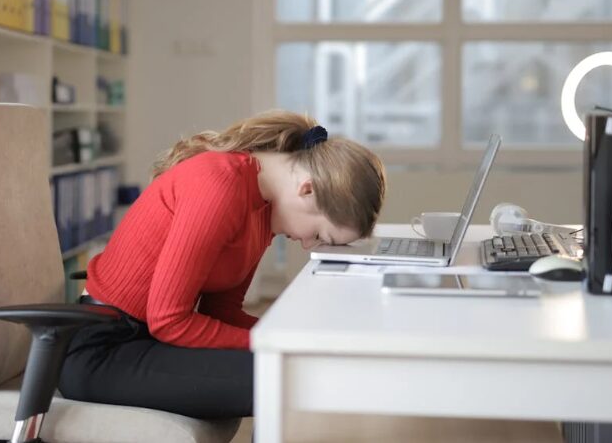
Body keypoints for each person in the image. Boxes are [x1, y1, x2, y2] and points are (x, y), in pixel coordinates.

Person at [58, 110, 386, 420]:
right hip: (103, 351)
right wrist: (276, 340)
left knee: (296, 366)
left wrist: (292, 336)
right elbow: (169, 320)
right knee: (291, 377)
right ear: (308, 189)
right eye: (319, 234)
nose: (309, 244)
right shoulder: (221, 185)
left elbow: (222, 314)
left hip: (147, 341)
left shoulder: (264, 210)